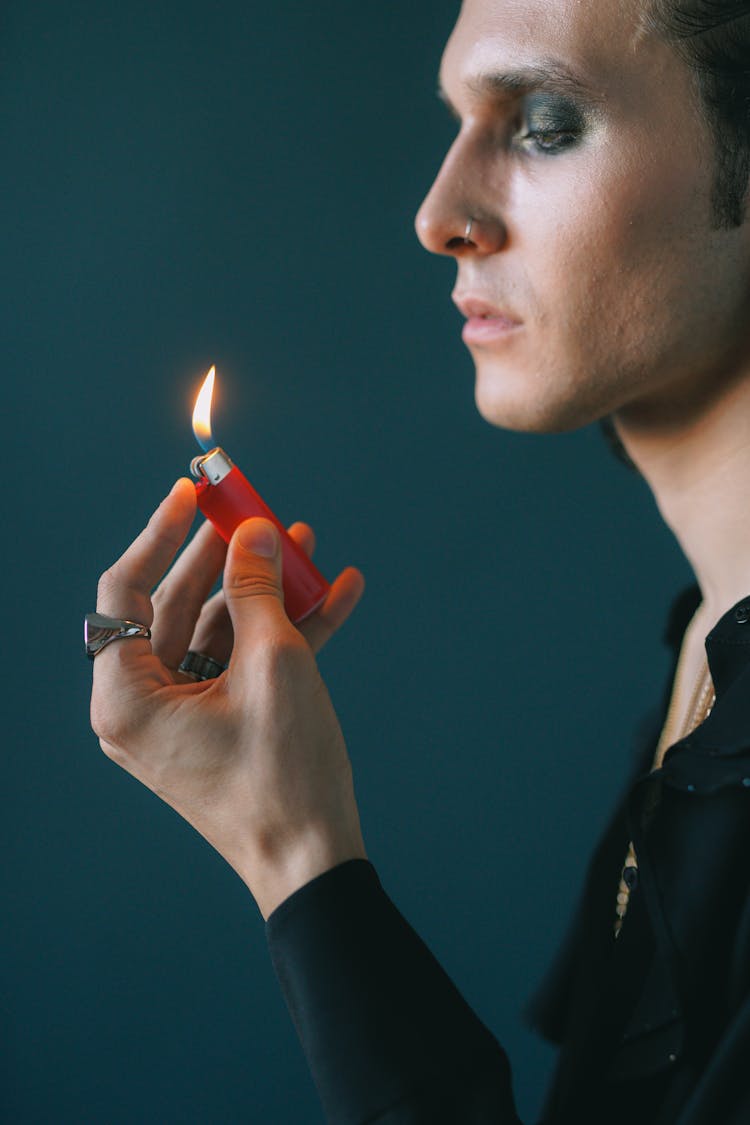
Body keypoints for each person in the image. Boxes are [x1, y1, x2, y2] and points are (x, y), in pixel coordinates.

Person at [87, 0, 750, 1120]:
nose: (439, 215)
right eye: (456, 121)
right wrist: (295, 846)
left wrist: (296, 854)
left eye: (544, 122)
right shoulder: (705, 652)